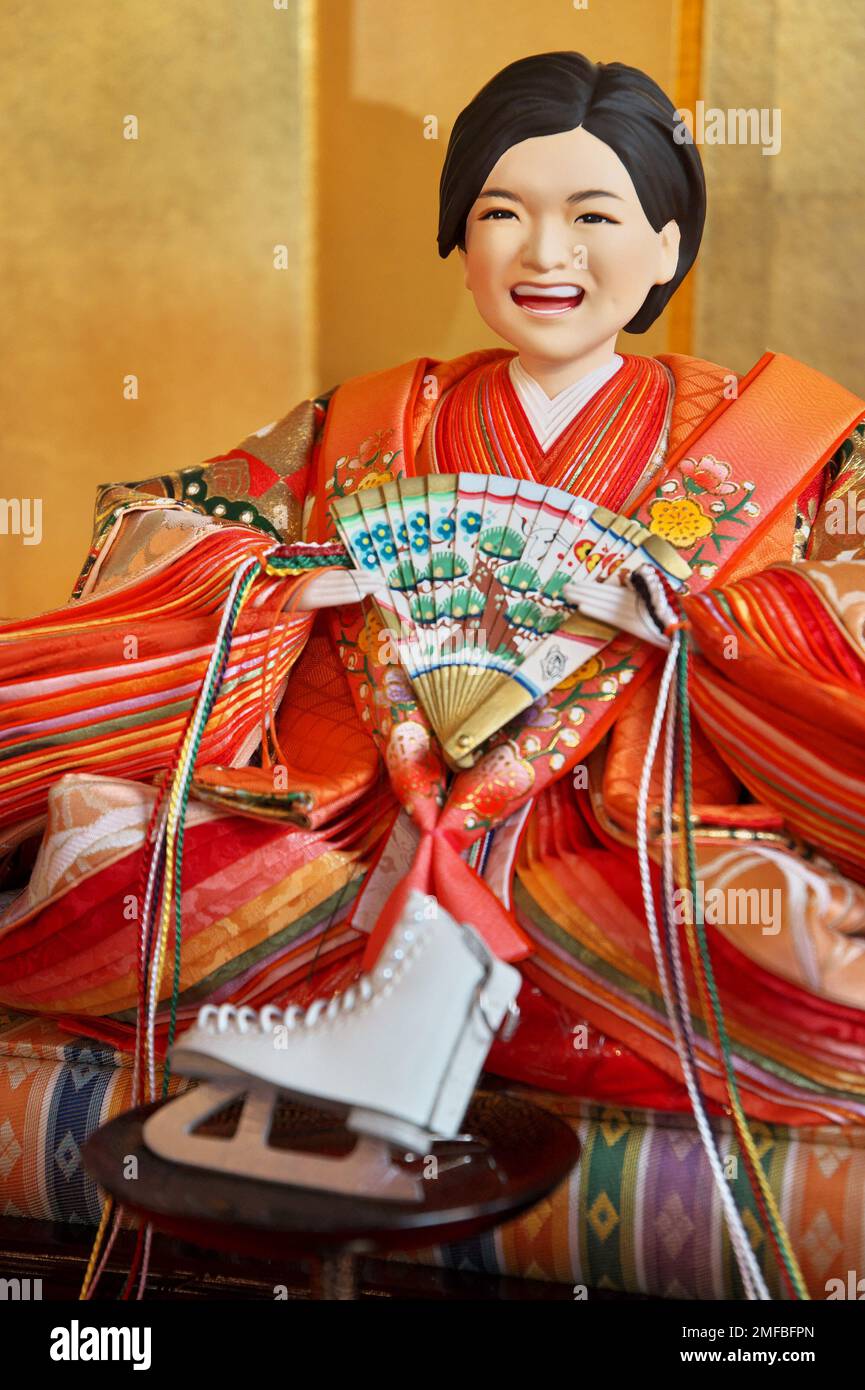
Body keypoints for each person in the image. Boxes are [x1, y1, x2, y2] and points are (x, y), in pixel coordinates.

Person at [3, 50, 865, 1142]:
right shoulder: (368, 421)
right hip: (368, 804)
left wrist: (718, 627)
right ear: (460, 238)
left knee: (776, 951)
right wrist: (282, 590)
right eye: (504, 211)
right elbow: (165, 528)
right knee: (110, 850)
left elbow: (845, 593)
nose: (546, 252)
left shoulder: (772, 439)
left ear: (666, 244)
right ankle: (434, 1002)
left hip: (614, 818)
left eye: (593, 215)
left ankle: (411, 1006)